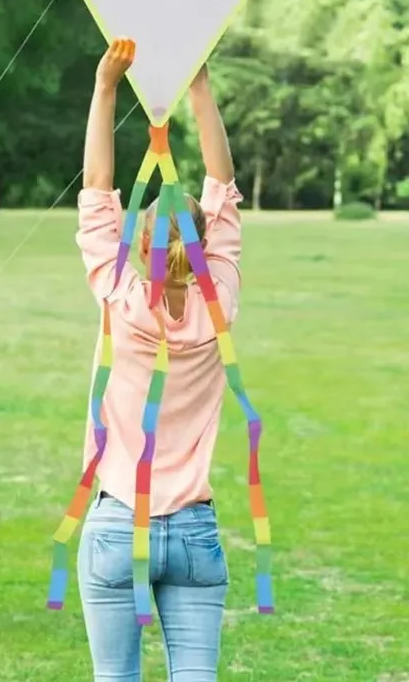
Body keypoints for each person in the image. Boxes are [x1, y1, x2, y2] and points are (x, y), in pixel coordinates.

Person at [74, 39, 242, 680]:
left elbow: (97, 188)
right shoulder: (220, 300)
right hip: (195, 531)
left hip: (119, 521)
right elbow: (223, 189)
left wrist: (106, 86)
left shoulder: (121, 296)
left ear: (139, 246)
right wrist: (199, 87)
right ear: (203, 248)